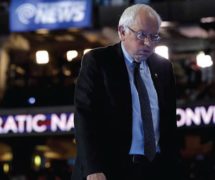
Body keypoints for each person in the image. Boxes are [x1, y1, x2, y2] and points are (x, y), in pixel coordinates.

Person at [73, 4, 181, 180]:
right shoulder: (98, 62)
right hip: (110, 169)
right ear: (122, 32)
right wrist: (93, 168)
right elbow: (85, 117)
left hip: (156, 168)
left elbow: (169, 125)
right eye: (141, 35)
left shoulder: (163, 67)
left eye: (154, 37)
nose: (148, 43)